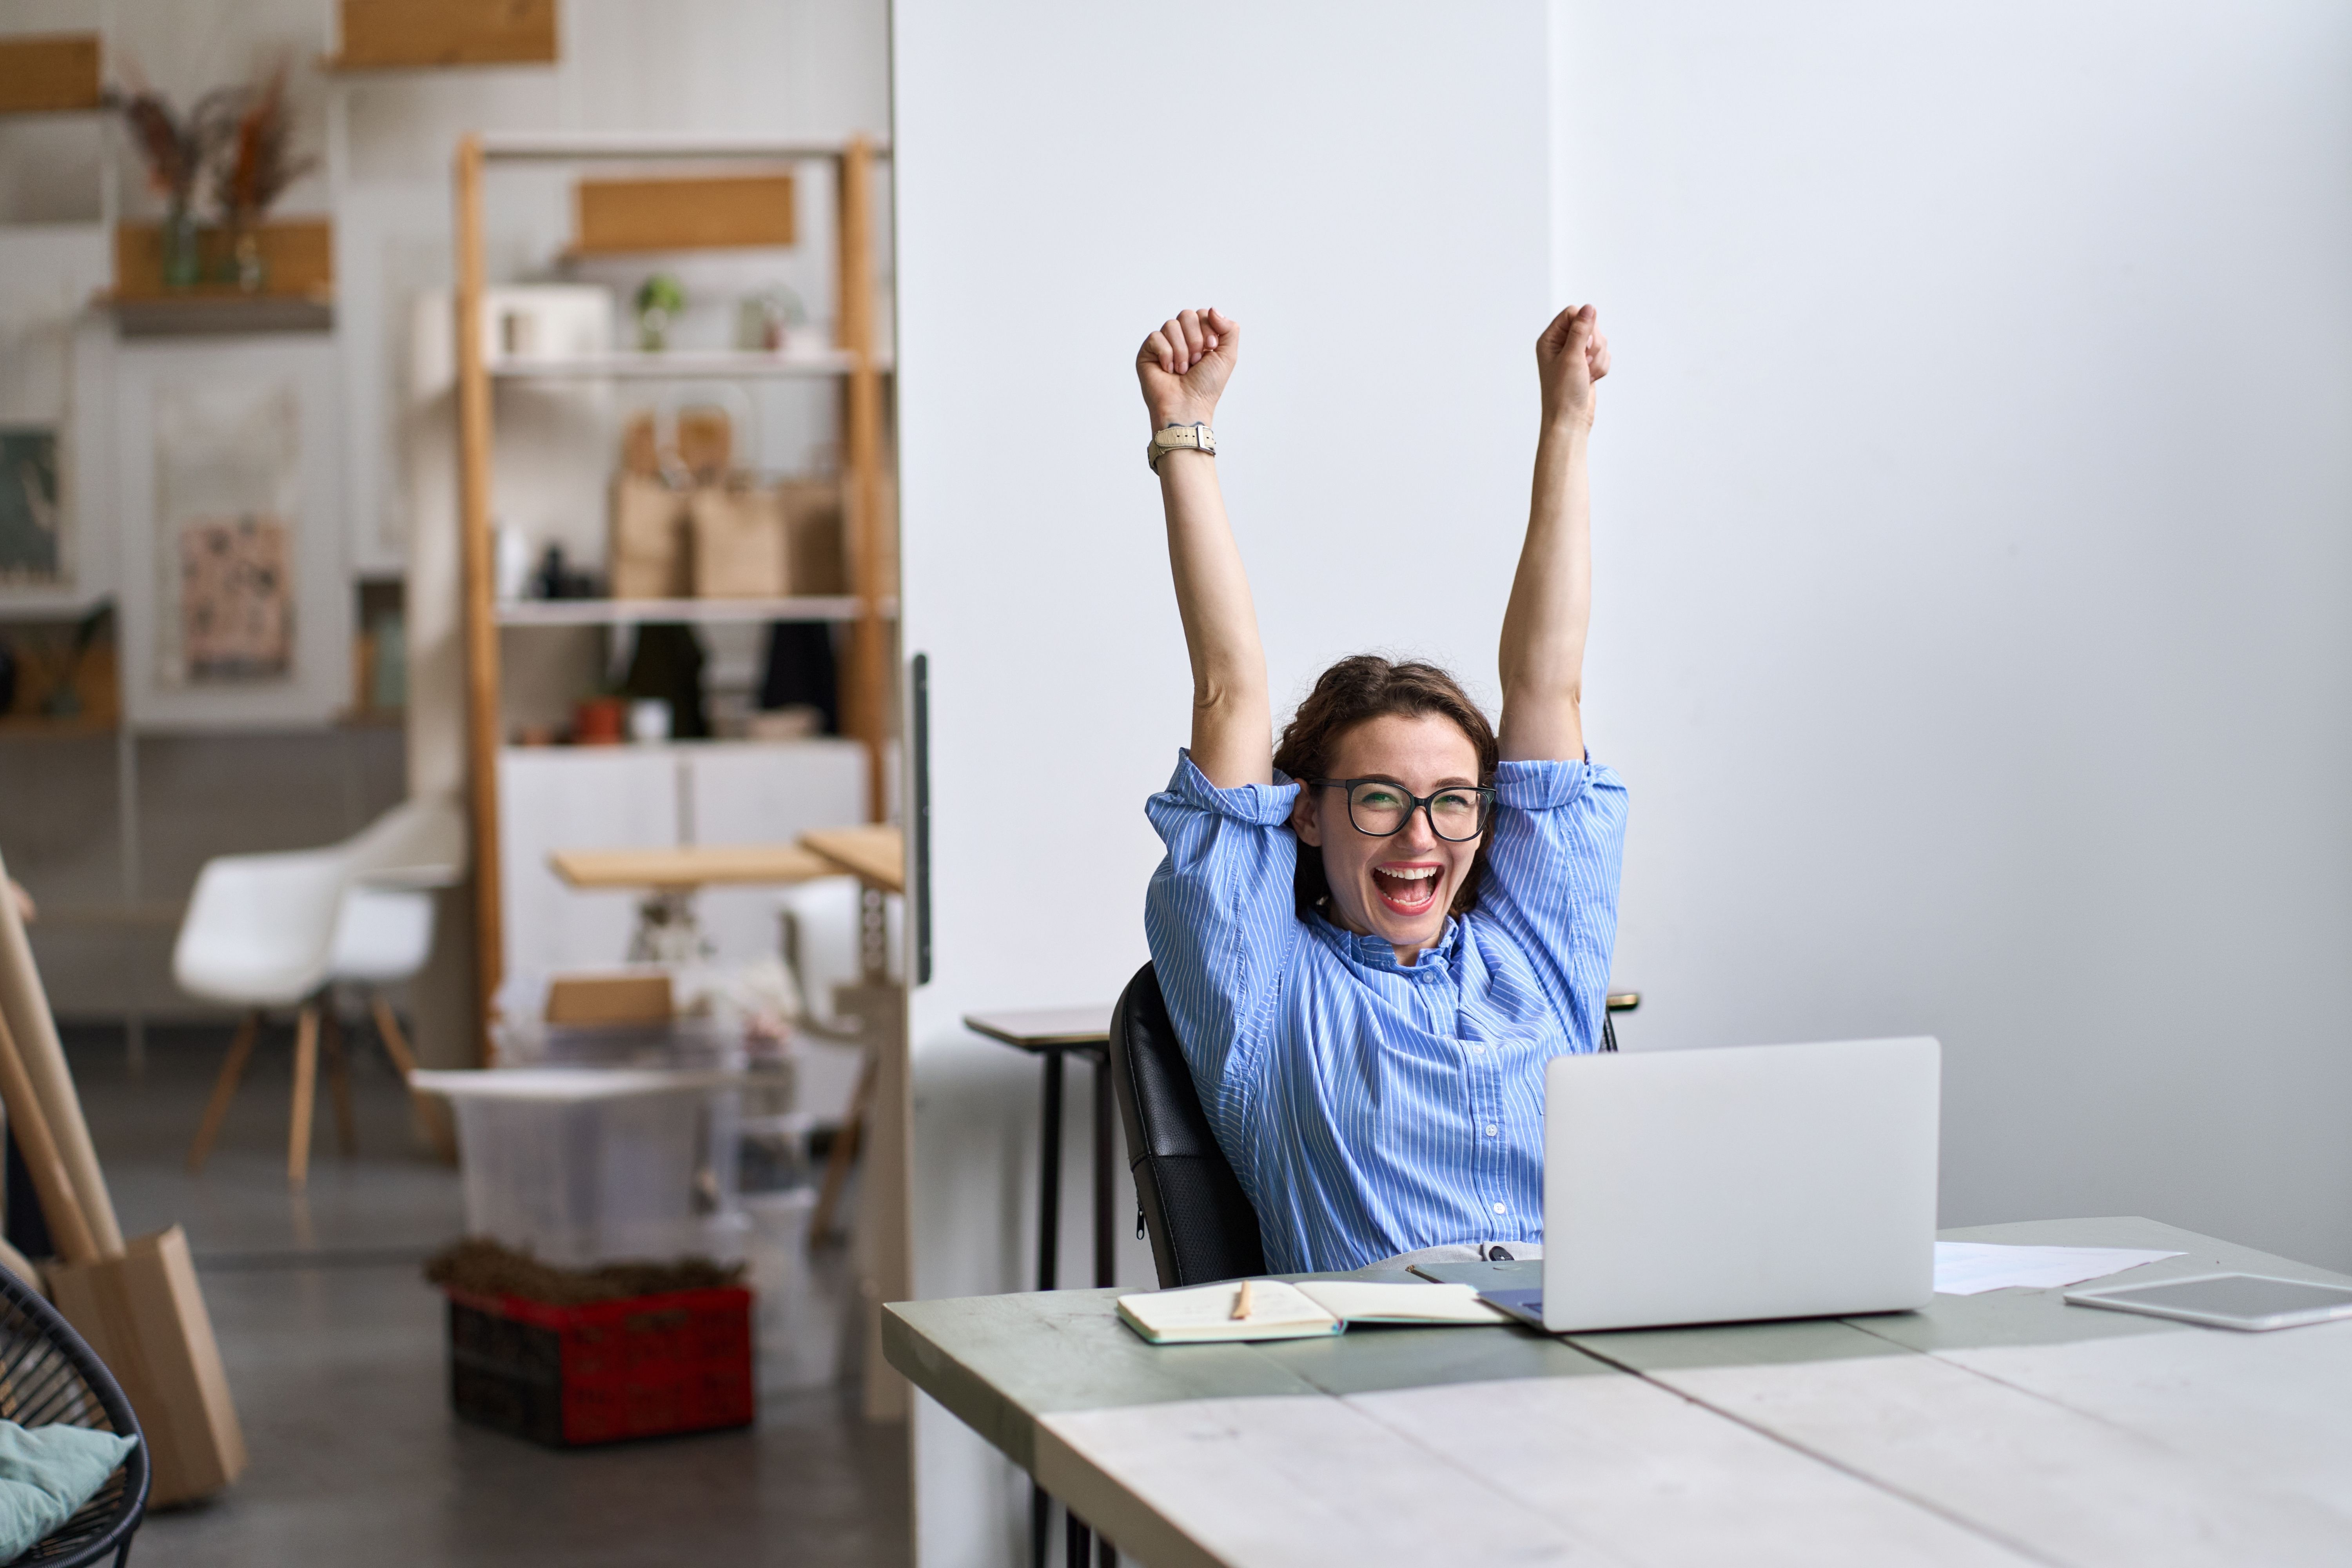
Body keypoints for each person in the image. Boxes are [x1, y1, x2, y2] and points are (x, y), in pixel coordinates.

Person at [1139, 303, 1628, 1273]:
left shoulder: (1536, 961)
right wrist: (1183, 435)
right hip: (1380, 1394)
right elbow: (1229, 689)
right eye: (1380, 799)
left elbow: (1548, 683)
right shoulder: (1267, 992)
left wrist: (1567, 424)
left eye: (1454, 799)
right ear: (1307, 813)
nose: (1422, 837)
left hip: (1583, 1369)